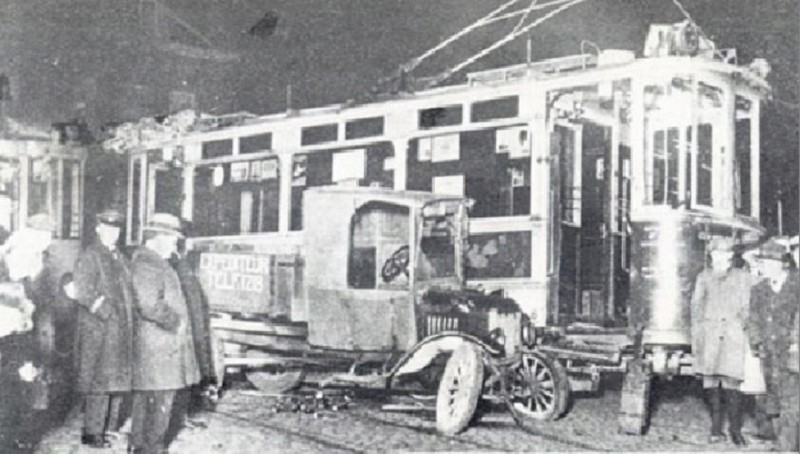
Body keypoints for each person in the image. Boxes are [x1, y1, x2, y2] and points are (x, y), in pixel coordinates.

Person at [130, 213, 200, 454]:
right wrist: (176, 322)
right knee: (158, 405)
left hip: (158, 347)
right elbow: (149, 304)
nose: (174, 245)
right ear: (157, 238)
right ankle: (151, 449)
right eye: (171, 239)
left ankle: (140, 447)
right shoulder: (147, 264)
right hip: (158, 348)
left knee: (149, 404)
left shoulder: (154, 262)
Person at [73, 209, 135, 448]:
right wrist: (107, 312)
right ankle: (92, 433)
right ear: (98, 228)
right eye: (107, 229)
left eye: (116, 229)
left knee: (116, 380)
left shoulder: (118, 255)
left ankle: (109, 428)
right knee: (98, 382)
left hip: (119, 329)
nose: (112, 233)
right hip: (100, 330)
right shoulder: (91, 255)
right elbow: (83, 290)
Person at [690, 237, 756, 446]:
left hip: (733, 336)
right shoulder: (704, 277)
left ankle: (735, 430)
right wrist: (697, 338)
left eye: (725, 253)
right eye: (716, 253)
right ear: (711, 255)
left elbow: (748, 306)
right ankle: (716, 428)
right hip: (709, 336)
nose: (720, 257)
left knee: (732, 384)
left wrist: (741, 328)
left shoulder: (743, 277)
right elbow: (696, 309)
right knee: (711, 384)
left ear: (731, 256)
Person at [0, 213, 55, 450]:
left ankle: (17, 440)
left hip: (23, 337)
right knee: (13, 393)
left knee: (22, 394)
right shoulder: (17, 258)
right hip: (11, 338)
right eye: (45, 236)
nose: (48, 241)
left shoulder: (32, 259)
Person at [748, 239, 799, 452]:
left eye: (770, 262)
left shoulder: (797, 285)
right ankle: (783, 444)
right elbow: (753, 318)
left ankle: (788, 447)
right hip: (767, 353)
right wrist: (757, 340)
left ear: (782, 264)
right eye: (762, 263)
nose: (764, 267)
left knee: (791, 401)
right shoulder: (759, 289)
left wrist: (796, 343)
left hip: (791, 352)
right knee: (773, 399)